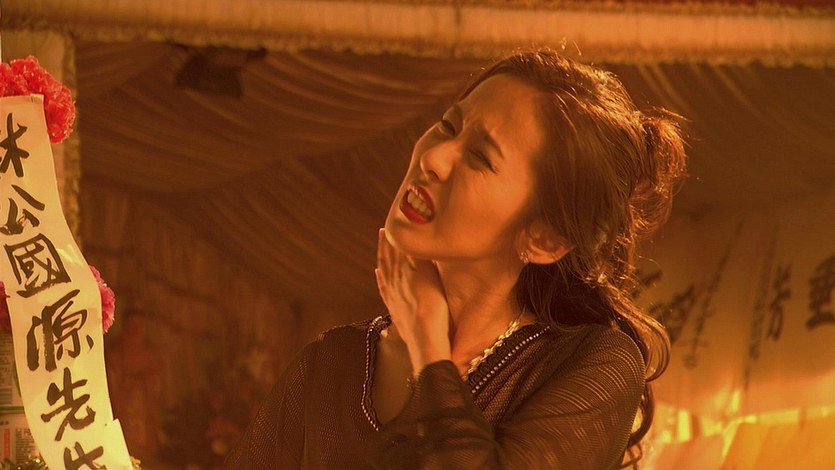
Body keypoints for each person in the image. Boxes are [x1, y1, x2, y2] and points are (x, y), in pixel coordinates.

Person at [225, 48, 686, 469]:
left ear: (544, 239)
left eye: (480, 157)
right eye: (448, 126)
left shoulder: (593, 363)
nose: (434, 157)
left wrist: (429, 346)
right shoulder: (331, 363)